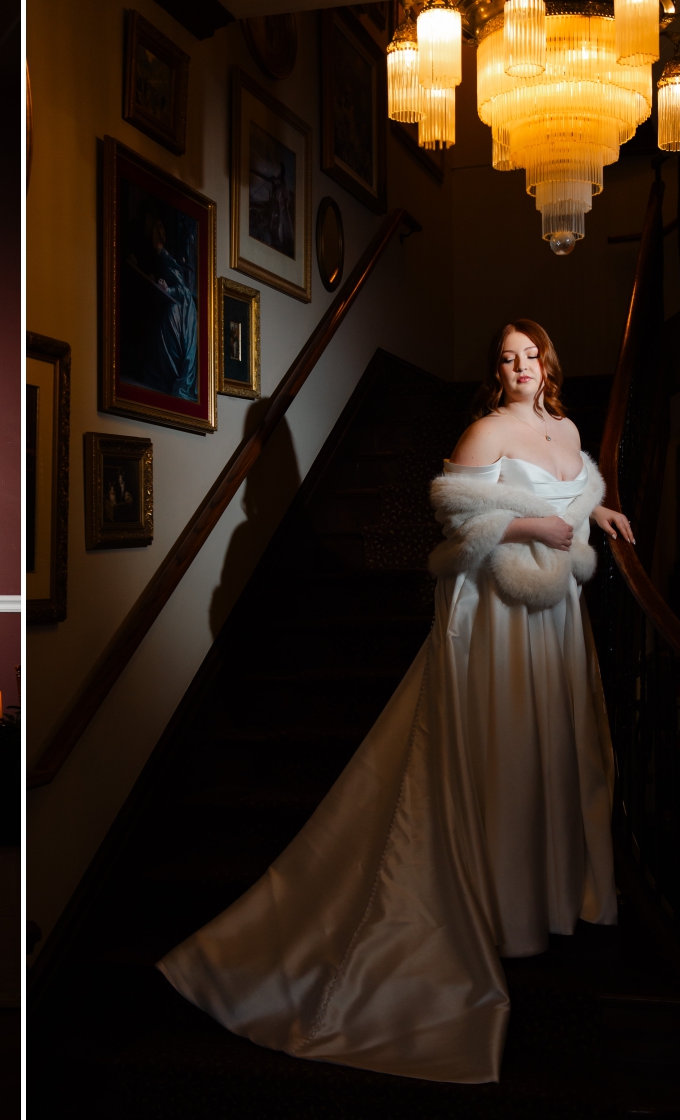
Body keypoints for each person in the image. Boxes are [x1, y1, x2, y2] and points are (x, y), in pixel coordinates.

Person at [157, 319, 635, 1084]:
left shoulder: (568, 425)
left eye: (530, 355)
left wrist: (596, 514)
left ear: (548, 362)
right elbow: (454, 515)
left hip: (554, 615)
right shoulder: (483, 431)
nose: (519, 366)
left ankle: (533, 890)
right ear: (498, 367)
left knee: (553, 747)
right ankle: (462, 908)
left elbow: (574, 498)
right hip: (500, 616)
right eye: (506, 356)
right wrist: (530, 522)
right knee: (491, 749)